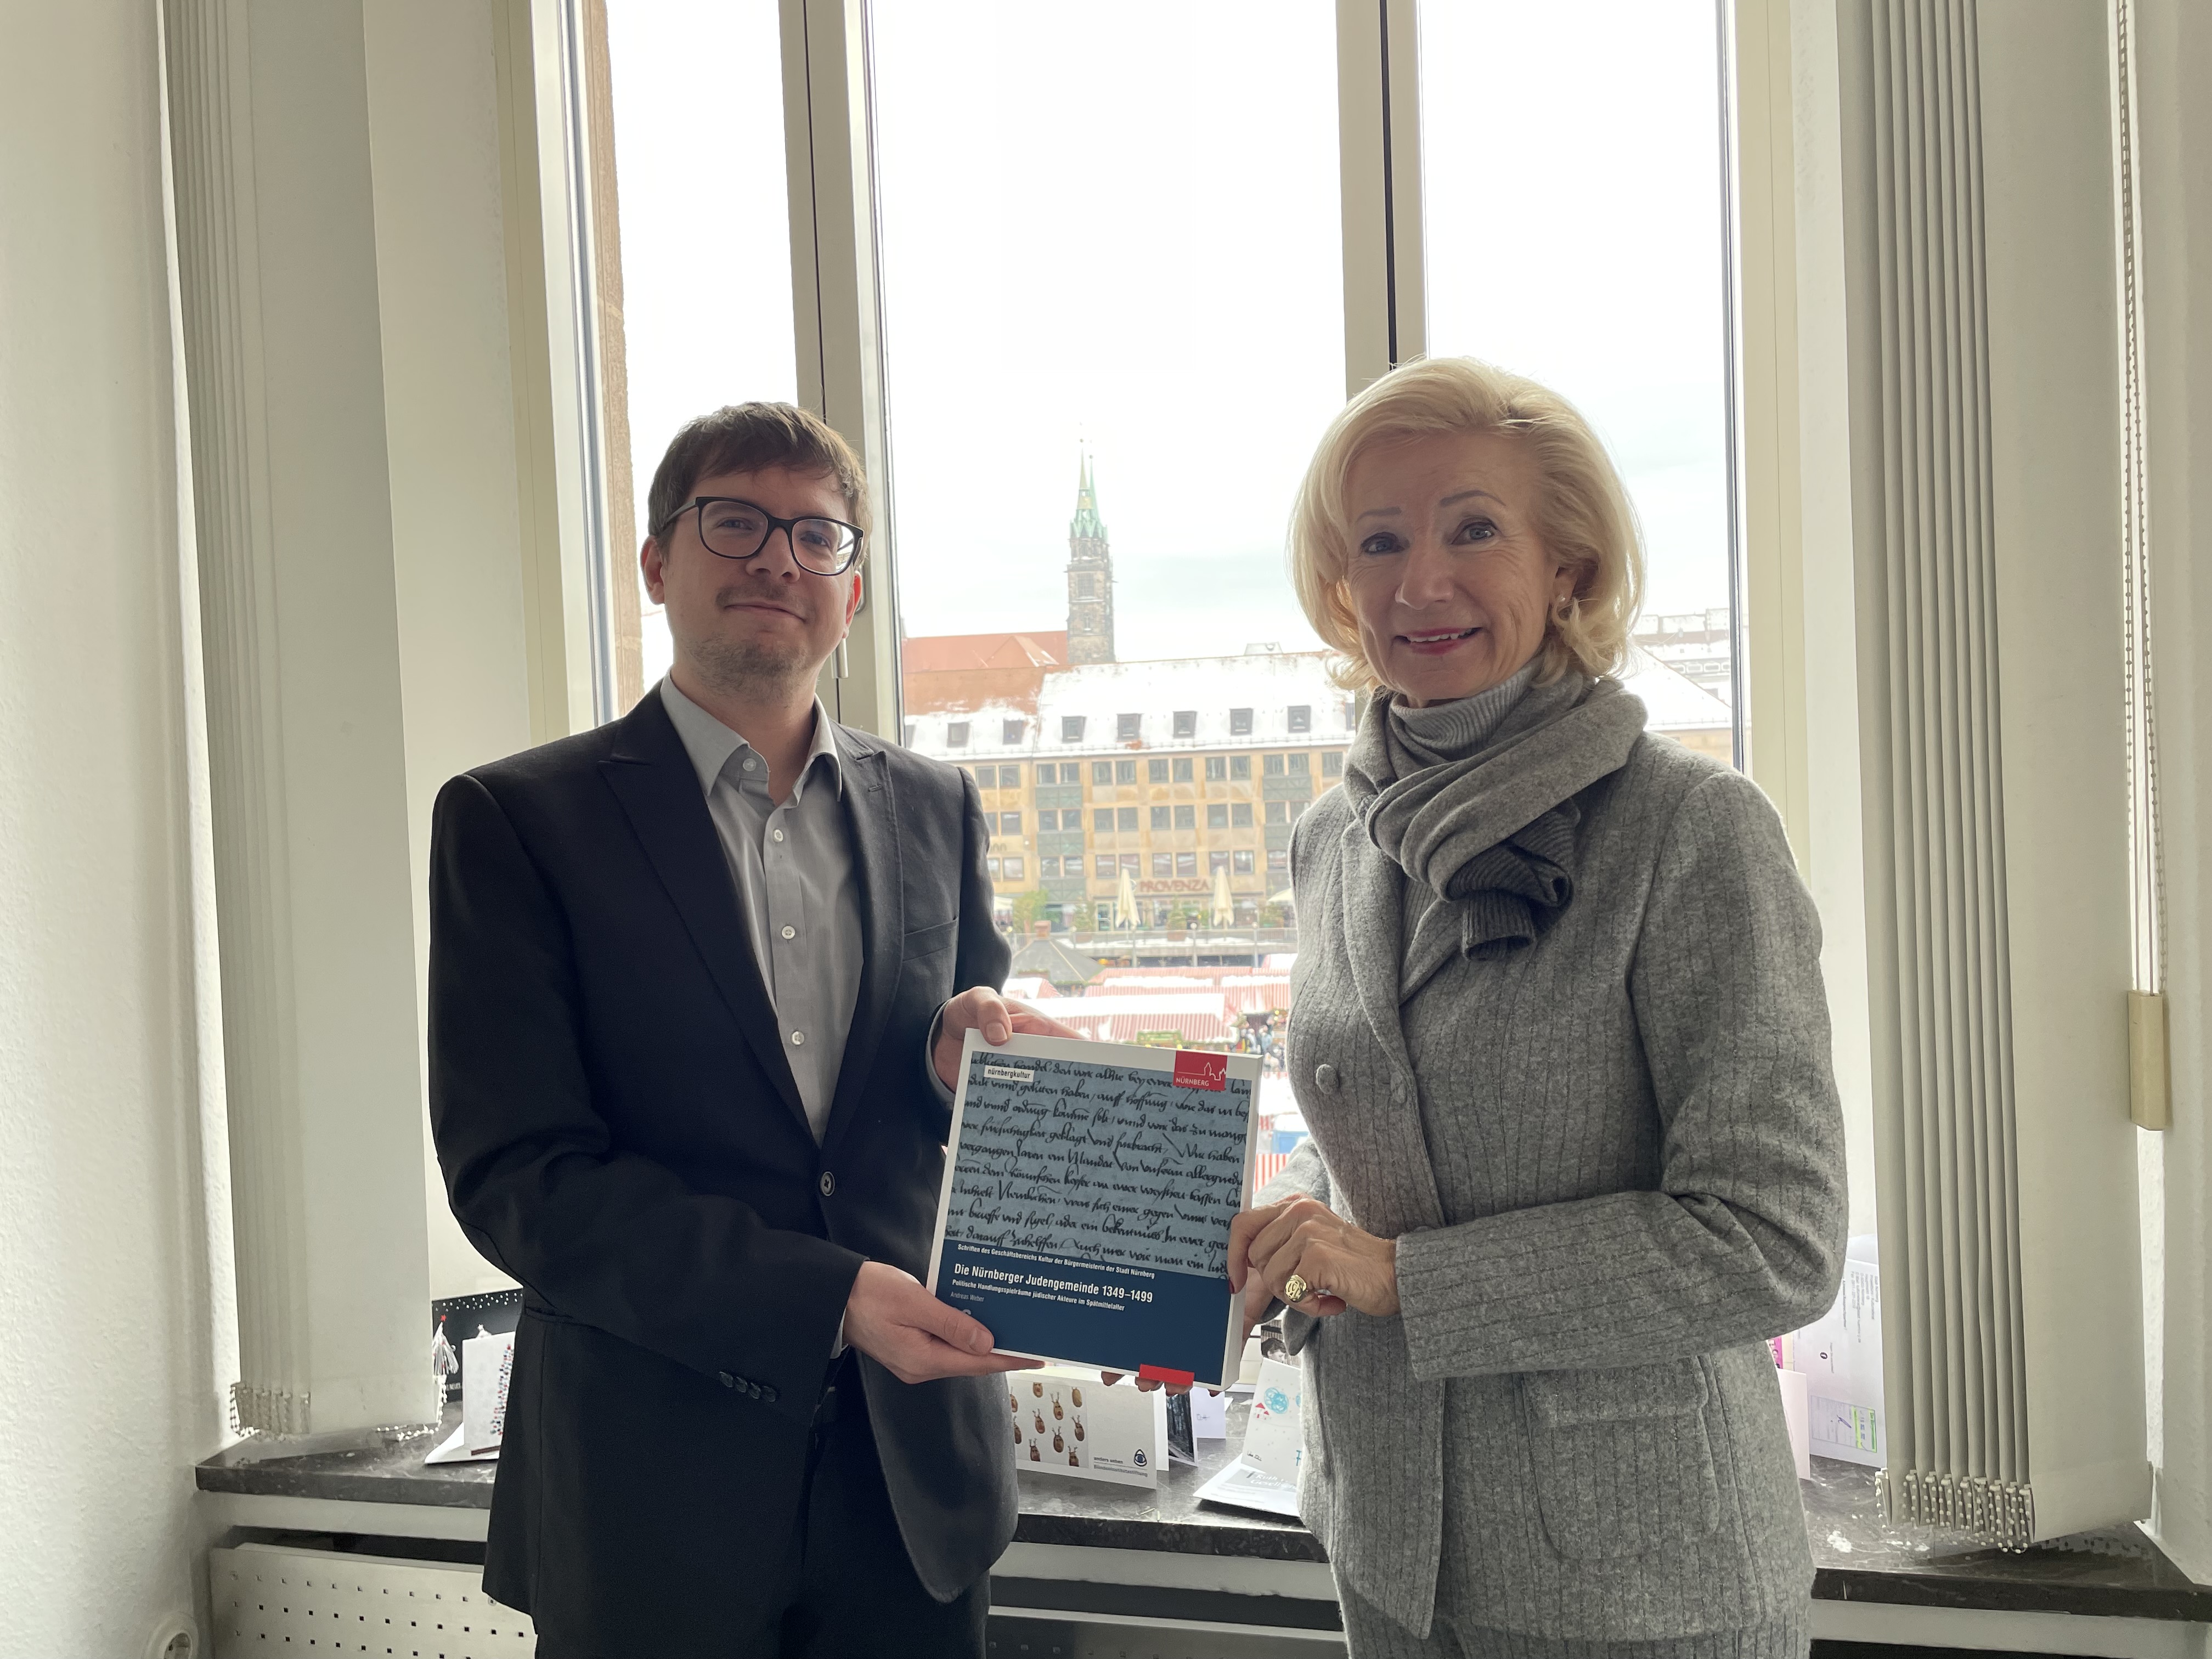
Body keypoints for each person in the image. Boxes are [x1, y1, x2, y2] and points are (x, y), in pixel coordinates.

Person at [427, 402, 1071, 1657]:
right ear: (657, 562)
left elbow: (942, 1116)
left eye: (817, 536)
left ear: (852, 589)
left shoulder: (936, 806)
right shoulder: (517, 822)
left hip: (910, 1491)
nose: (779, 558)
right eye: (735, 523)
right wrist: (825, 1299)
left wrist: (953, 1066)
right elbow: (519, 1177)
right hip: (646, 1496)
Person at [1226, 358, 1847, 1658]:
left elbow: (1773, 1239)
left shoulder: (1690, 829)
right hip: (1385, 1540)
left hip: (1638, 1578)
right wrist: (1295, 1230)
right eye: (1379, 541)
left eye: (1473, 530)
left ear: (1568, 565)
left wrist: (1405, 1278)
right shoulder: (1334, 839)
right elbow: (1387, 1143)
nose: (1420, 582)